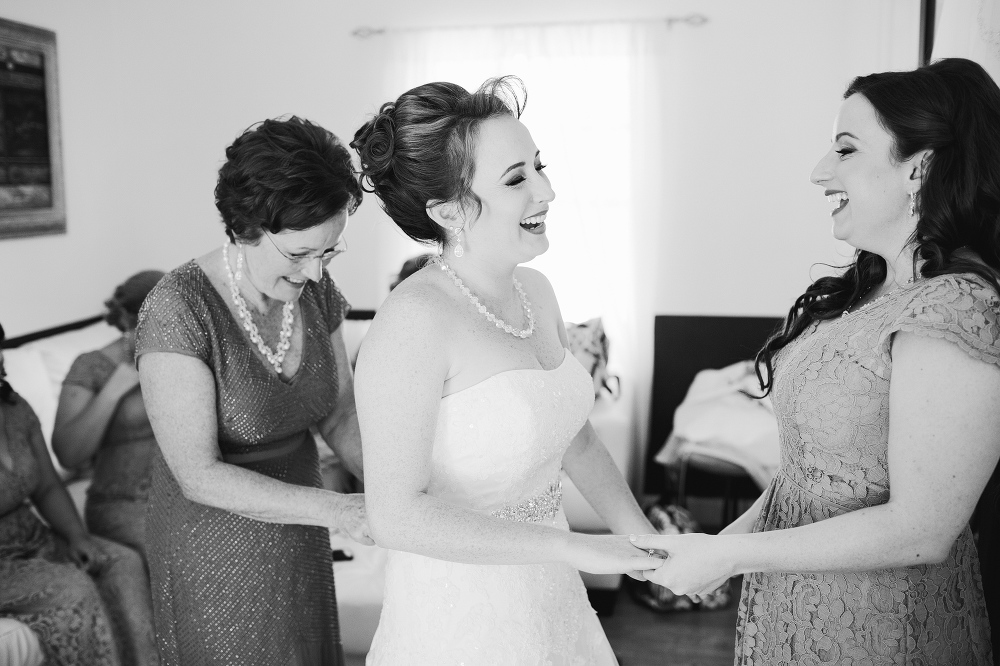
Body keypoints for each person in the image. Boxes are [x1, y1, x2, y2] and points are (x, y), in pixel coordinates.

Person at [630, 57, 1000, 664]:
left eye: (846, 150)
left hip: (884, 632)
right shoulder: (868, 290)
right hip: (793, 614)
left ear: (920, 168)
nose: (818, 171)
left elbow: (922, 530)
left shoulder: (955, 309)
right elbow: (808, 474)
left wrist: (732, 557)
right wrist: (717, 544)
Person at [351, 77, 664, 666]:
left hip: (551, 597)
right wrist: (578, 549)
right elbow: (395, 515)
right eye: (517, 179)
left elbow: (578, 438)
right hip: (459, 618)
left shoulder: (537, 292)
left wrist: (647, 543)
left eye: (539, 166)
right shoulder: (411, 322)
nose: (546, 190)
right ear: (449, 212)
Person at [135, 116, 370, 665]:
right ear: (245, 226)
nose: (315, 273)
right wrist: (341, 510)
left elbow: (339, 417)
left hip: (303, 527)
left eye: (329, 253)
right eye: (297, 255)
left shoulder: (315, 291)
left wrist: (397, 494)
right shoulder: (178, 309)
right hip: (214, 542)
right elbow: (198, 474)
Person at [0, 322, 155, 666]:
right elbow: (71, 453)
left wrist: (75, 536)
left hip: (34, 538)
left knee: (121, 562)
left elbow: (47, 485)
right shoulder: (91, 366)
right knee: (71, 587)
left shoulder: (14, 409)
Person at [53, 269, 164, 555]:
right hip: (122, 505)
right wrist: (114, 389)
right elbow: (69, 455)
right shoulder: (91, 366)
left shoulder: (179, 357)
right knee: (178, 552)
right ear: (130, 321)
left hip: (180, 496)